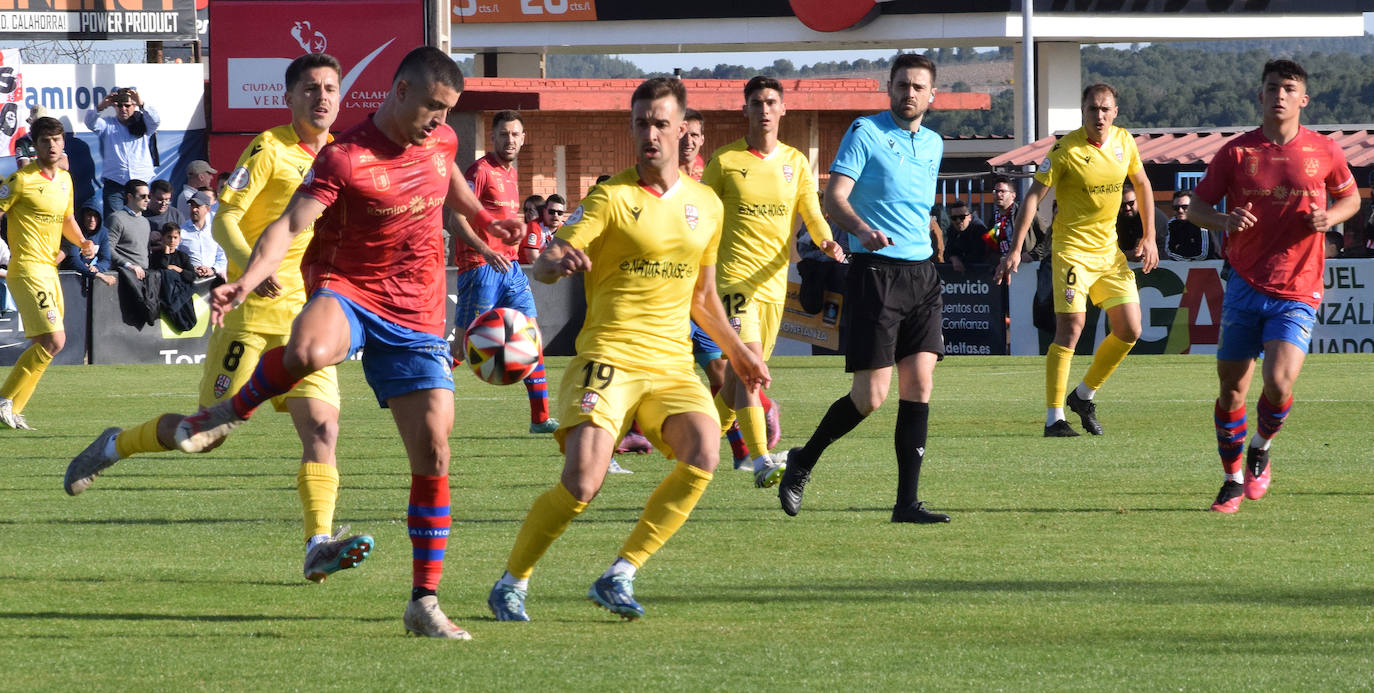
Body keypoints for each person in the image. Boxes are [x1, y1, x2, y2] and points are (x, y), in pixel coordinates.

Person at [63, 54, 382, 588]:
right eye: (310, 88)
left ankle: (316, 544)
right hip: (252, 316)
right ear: (290, 97)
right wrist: (254, 271)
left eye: (330, 87)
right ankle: (115, 444)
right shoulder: (269, 147)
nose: (322, 97)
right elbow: (228, 216)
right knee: (204, 435)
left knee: (323, 427)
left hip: (309, 316)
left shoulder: (343, 156)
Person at [486, 77, 768, 623]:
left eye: (661, 123)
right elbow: (548, 260)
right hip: (607, 358)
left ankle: (621, 573)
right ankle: (510, 581)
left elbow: (704, 297)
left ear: (684, 129)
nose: (650, 134)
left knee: (705, 450)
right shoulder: (609, 198)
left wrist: (739, 353)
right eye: (641, 123)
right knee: (583, 482)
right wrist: (552, 264)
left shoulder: (706, 204)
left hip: (669, 363)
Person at [775, 53, 950, 523]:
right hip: (876, 273)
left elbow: (918, 207)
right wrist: (862, 230)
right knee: (870, 397)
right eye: (901, 85)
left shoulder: (933, 143)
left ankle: (906, 504)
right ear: (888, 89)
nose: (908, 93)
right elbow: (834, 197)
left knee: (920, 385)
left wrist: (933, 239)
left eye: (917, 87)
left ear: (931, 96)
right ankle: (802, 460)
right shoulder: (865, 132)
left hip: (922, 277)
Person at [1185, 59, 1358, 514]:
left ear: (1303, 99)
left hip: (1299, 287)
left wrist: (1331, 218)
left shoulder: (1325, 151)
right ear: (1259, 97)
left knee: (1279, 384)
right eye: (1271, 88)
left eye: (1288, 88)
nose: (1278, 95)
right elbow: (1196, 208)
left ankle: (1260, 446)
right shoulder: (1237, 153)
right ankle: (1231, 479)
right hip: (1243, 283)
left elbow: (1352, 197)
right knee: (1231, 390)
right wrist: (1224, 219)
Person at [703, 75, 844, 489]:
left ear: (782, 109)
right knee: (749, 369)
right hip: (732, 283)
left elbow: (811, 211)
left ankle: (698, 442)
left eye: (770, 102)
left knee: (733, 384)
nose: (763, 109)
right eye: (756, 103)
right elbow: (701, 214)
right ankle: (761, 459)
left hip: (773, 287)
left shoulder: (795, 162)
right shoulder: (724, 162)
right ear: (744, 110)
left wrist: (826, 239)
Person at [995, 83, 1157, 438]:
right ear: (1082, 113)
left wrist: (1150, 236)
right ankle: (1054, 418)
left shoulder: (1124, 142)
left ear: (1115, 112)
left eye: (1105, 109)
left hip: (1109, 254)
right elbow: (1033, 199)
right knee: (1072, 327)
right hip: (1071, 252)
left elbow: (1142, 185)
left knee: (1130, 330)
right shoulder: (1065, 150)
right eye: (1092, 109)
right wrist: (1015, 249)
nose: (1098, 116)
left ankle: (1083, 396)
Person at [451, 110, 558, 434]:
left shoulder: (511, 174)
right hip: (480, 267)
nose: (509, 140)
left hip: (510, 269)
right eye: (503, 134)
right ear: (492, 138)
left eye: (515, 134)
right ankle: (416, 388)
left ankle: (540, 419)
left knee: (532, 337)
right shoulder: (480, 171)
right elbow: (456, 218)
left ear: (523, 138)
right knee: (462, 347)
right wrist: (485, 250)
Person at [0, 116, 95, 429]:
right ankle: (4, 400)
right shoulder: (20, 181)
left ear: (63, 142)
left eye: (56, 140)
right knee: (55, 340)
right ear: (35, 145)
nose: (52, 146)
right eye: (45, 141)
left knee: (46, 344)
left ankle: (11, 410)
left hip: (49, 270)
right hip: (26, 268)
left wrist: (82, 242)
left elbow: (67, 218)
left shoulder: (65, 180)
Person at [85, 87, 160, 219]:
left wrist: (142, 104)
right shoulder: (108, 125)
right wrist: (101, 106)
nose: (123, 109)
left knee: (140, 222)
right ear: (114, 106)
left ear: (134, 105)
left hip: (140, 184)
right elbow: (90, 123)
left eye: (127, 105)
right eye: (119, 105)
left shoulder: (144, 124)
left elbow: (156, 120)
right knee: (115, 223)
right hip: (115, 184)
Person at [988, 174, 1043, 262]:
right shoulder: (994, 219)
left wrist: (1033, 255)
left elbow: (1047, 237)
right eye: (996, 191)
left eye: (1002, 191)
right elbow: (989, 248)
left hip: (1026, 267)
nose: (998, 194)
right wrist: (999, 259)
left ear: (1013, 195)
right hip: (1004, 268)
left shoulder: (1026, 213)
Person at [106, 180, 152, 280]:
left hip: (144, 275)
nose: (147, 200)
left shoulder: (145, 222)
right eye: (143, 196)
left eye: (149, 196)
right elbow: (107, 248)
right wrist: (128, 265)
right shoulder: (116, 219)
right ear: (130, 197)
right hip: (124, 276)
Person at [178, 190, 227, 280]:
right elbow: (175, 258)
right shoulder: (181, 231)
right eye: (192, 206)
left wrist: (212, 269)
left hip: (213, 281)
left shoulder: (215, 230)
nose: (194, 209)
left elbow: (222, 256)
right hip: (189, 280)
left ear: (207, 209)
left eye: (197, 206)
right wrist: (191, 268)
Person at [62, 207, 116, 287]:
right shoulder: (75, 231)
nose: (92, 220)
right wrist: (94, 273)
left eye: (96, 216)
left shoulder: (103, 232)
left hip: (89, 273)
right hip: (68, 279)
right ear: (83, 216)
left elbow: (106, 259)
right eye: (89, 215)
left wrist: (96, 268)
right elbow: (73, 260)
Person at [945, 198, 991, 273]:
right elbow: (947, 252)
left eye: (962, 217)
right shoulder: (952, 229)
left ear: (970, 217)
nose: (958, 221)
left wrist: (960, 260)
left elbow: (979, 255)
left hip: (981, 274)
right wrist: (953, 258)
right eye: (954, 218)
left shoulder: (979, 229)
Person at [1165, 190, 1213, 261]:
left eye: (1185, 207)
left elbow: (1204, 254)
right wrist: (1186, 259)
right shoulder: (1172, 223)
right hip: (1181, 268)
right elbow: (1169, 251)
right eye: (1176, 208)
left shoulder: (1202, 222)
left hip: (1211, 268)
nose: (1180, 210)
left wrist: (1180, 250)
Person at [1115, 182, 1145, 260]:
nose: (1127, 208)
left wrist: (1122, 254)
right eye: (1122, 205)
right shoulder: (1115, 218)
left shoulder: (1147, 217)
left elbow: (1137, 254)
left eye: (1131, 203)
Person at [517, 194, 545, 264]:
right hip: (525, 269)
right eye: (525, 210)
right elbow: (532, 258)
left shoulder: (546, 228)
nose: (527, 213)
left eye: (531, 210)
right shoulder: (527, 229)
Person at [679, 107, 706, 181]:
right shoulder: (660, 176)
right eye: (682, 134)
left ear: (702, 140)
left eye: (694, 135)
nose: (688, 141)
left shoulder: (708, 175)